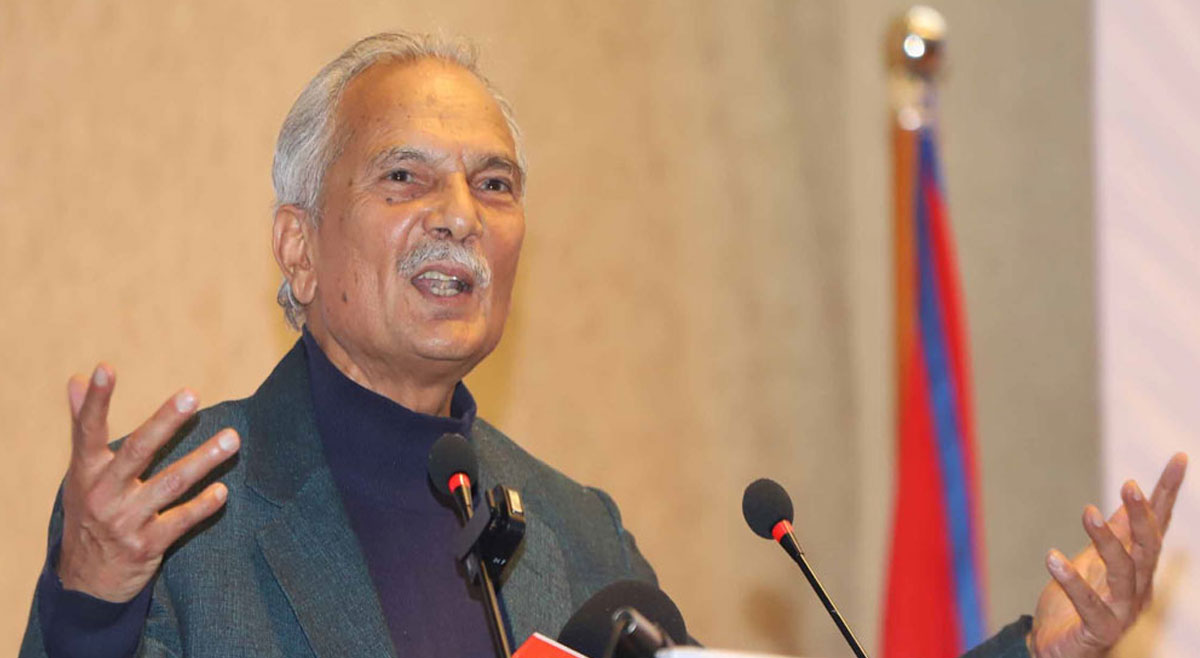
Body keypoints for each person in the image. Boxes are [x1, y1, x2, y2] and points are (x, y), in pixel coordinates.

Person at [19, 32, 1188, 658]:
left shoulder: (575, 532)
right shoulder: (173, 515)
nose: (460, 216)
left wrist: (1039, 653)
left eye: (494, 184)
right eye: (405, 178)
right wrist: (91, 607)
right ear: (299, 246)